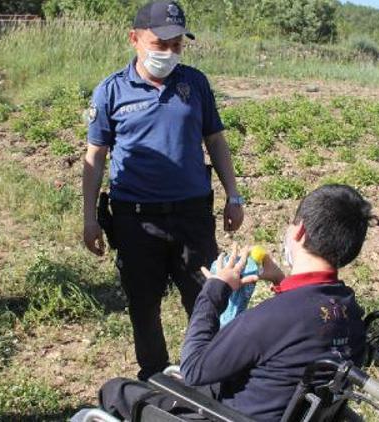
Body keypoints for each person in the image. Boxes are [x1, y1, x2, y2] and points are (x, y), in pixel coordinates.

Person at [92, 184, 370, 422]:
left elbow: (194, 369)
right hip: (283, 409)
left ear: (299, 232)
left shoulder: (271, 318)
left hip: (225, 414)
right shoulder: (350, 311)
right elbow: (302, 322)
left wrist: (215, 288)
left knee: (115, 390)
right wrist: (280, 280)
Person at [82, 1, 244, 381]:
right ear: (134, 39)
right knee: (144, 305)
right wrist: (89, 218)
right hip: (136, 221)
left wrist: (233, 195)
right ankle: (153, 376)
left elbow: (216, 140)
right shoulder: (111, 91)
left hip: (192, 217)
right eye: (160, 44)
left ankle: (209, 374)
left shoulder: (195, 84)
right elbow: (96, 158)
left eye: (177, 46)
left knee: (207, 297)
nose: (168, 53)